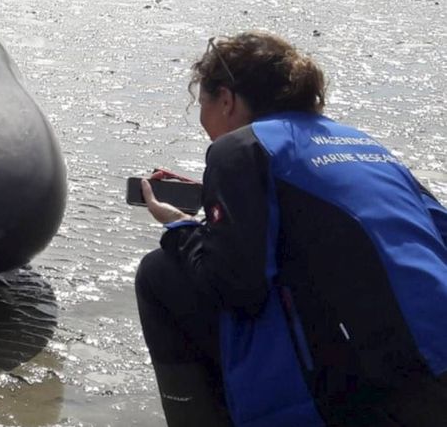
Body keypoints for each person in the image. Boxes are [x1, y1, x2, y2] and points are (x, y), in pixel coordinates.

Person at [135, 31, 447, 426]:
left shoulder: (239, 149)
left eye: (203, 104)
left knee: (160, 273)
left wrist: (181, 228)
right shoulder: (364, 144)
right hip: (432, 360)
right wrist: (218, 205)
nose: (202, 123)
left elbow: (236, 286)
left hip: (391, 389)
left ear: (227, 100)